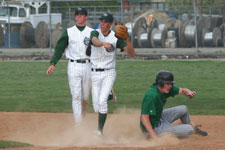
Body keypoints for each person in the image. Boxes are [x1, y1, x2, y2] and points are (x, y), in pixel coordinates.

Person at [90, 12, 135, 135]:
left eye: (105, 22)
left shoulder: (116, 38)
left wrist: (126, 38)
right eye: (101, 21)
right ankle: (110, 94)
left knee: (102, 102)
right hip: (94, 73)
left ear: (110, 24)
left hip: (109, 72)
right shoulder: (95, 32)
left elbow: (131, 53)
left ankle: (99, 131)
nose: (102, 24)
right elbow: (94, 41)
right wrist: (103, 43)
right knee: (96, 107)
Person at [46, 7, 93, 126]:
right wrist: (53, 63)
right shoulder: (69, 32)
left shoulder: (92, 32)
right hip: (73, 66)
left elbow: (99, 51)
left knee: (85, 98)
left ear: (86, 17)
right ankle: (79, 125)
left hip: (88, 66)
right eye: (77, 14)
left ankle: (82, 119)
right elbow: (59, 48)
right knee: (76, 96)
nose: (79, 16)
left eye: (81, 14)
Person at [140, 70, 208, 139]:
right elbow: (144, 118)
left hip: (158, 118)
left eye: (171, 84)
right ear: (160, 83)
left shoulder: (164, 89)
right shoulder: (152, 96)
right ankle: (160, 134)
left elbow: (182, 90)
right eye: (168, 83)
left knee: (183, 109)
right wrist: (153, 136)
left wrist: (188, 92)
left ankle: (191, 129)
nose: (170, 86)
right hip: (154, 128)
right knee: (189, 129)